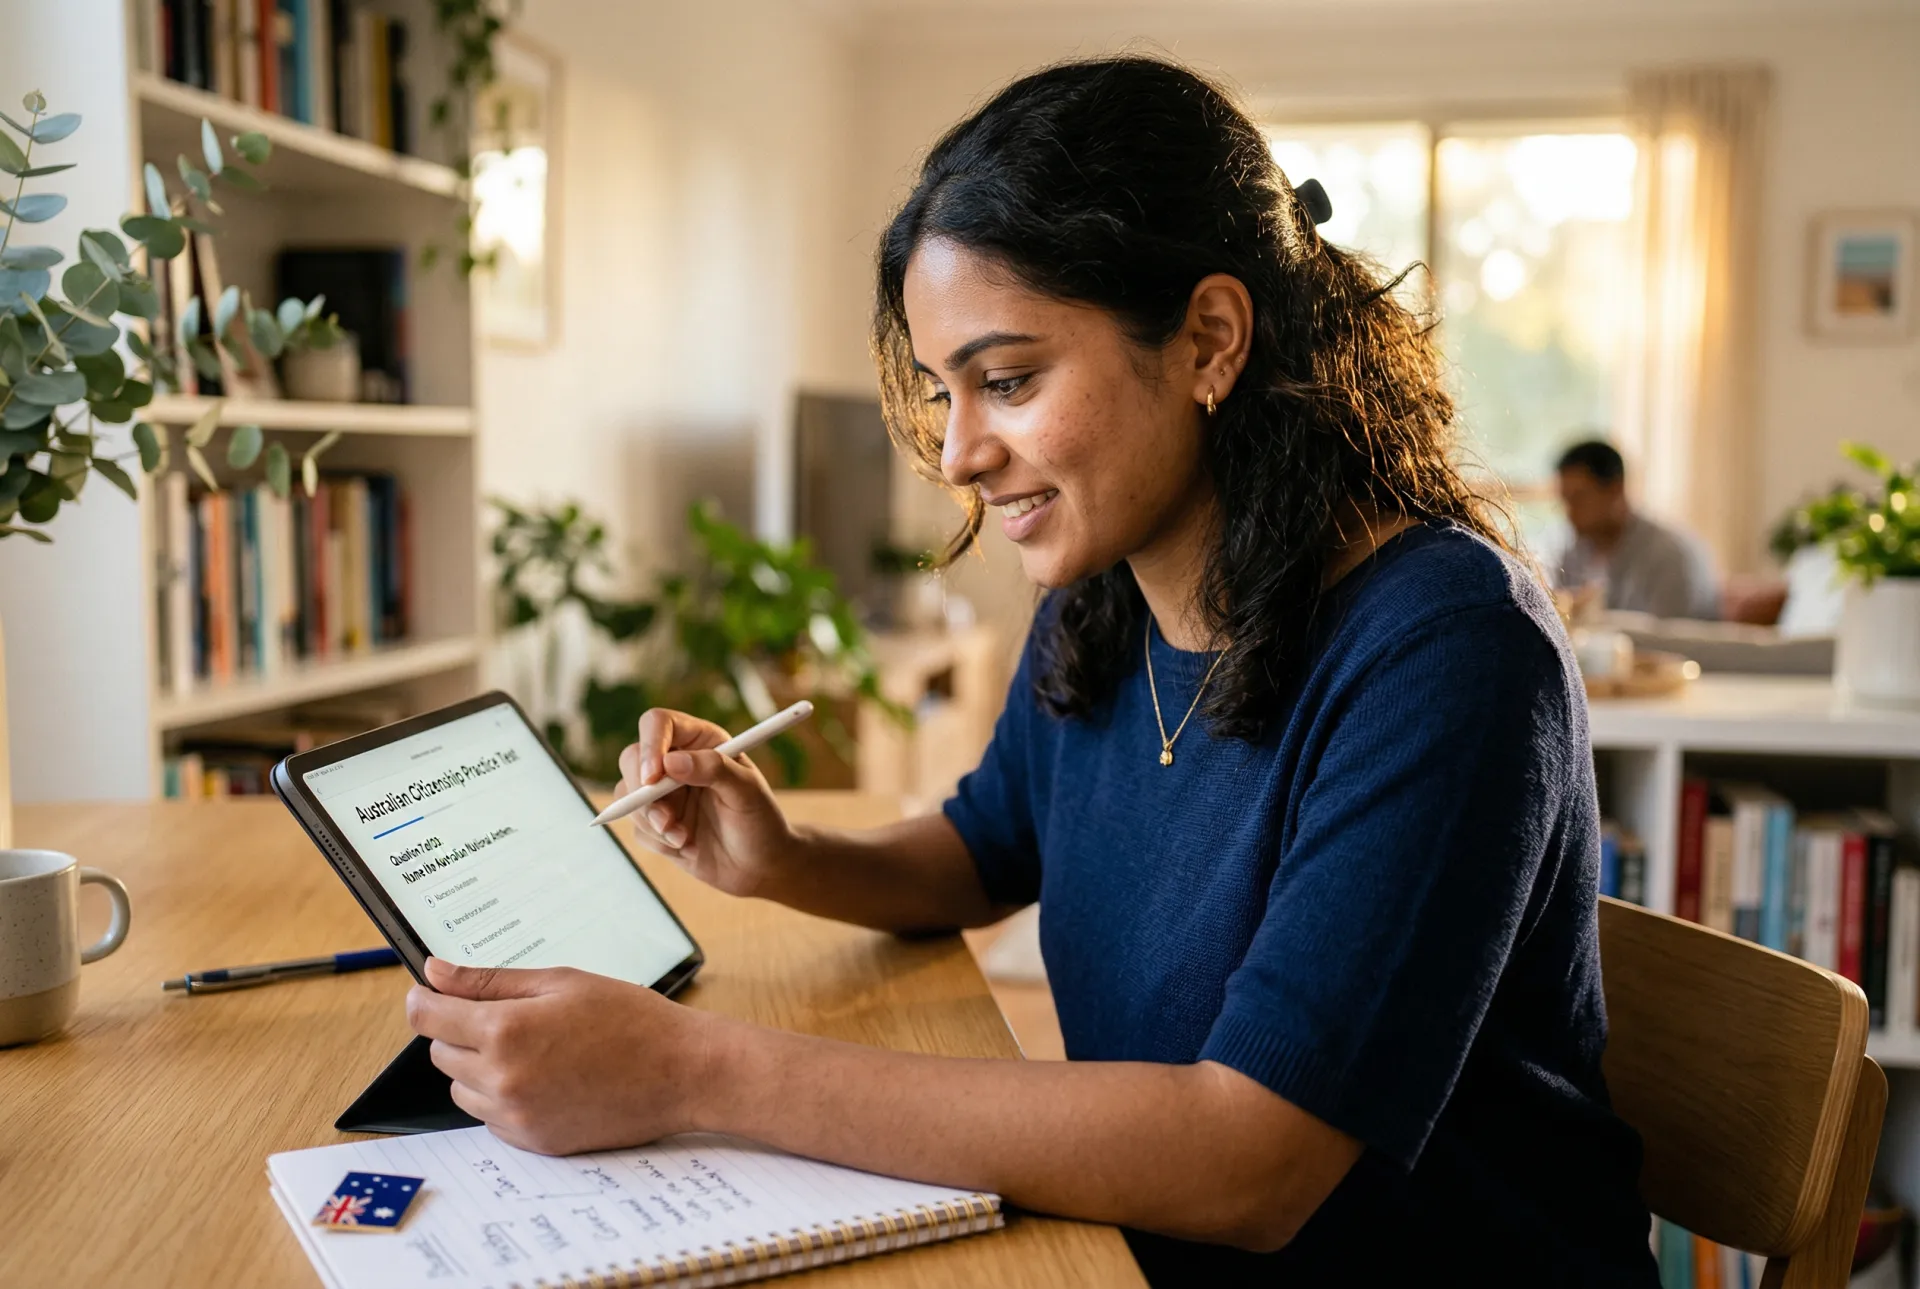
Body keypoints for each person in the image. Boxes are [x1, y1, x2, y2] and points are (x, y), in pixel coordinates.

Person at [405, 57, 1658, 1287]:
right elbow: (989, 846)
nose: (957, 453)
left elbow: (1253, 1161)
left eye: (1007, 380)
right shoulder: (1105, 596)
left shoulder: (1445, 648)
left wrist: (691, 1069)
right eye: (947, 390)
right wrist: (787, 858)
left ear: (1210, 338)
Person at [1555, 439, 1721, 620]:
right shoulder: (1573, 555)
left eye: (1580, 498)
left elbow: (1670, 638)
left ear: (1616, 489)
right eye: (1565, 500)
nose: (1570, 511)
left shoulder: (1671, 555)